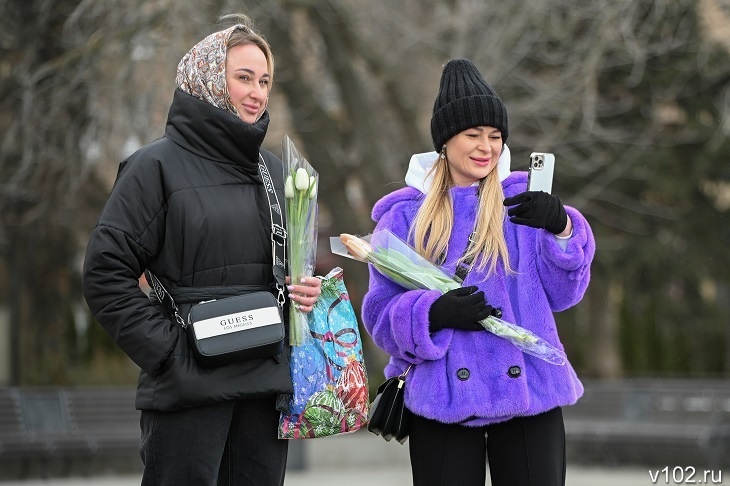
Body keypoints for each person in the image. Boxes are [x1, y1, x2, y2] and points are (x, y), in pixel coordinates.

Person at [82, 15, 321, 486]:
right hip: (188, 391)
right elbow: (104, 275)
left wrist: (301, 292)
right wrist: (170, 353)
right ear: (208, 79)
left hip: (263, 390)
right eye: (244, 77)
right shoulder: (154, 167)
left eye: (265, 81)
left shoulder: (275, 172)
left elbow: (279, 274)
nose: (258, 93)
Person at [361, 58, 596, 486]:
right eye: (473, 134)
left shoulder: (524, 203)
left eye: (495, 136)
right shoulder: (404, 217)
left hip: (529, 395)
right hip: (444, 399)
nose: (486, 146)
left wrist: (562, 228)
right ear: (445, 140)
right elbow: (380, 316)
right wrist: (432, 314)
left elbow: (565, 295)